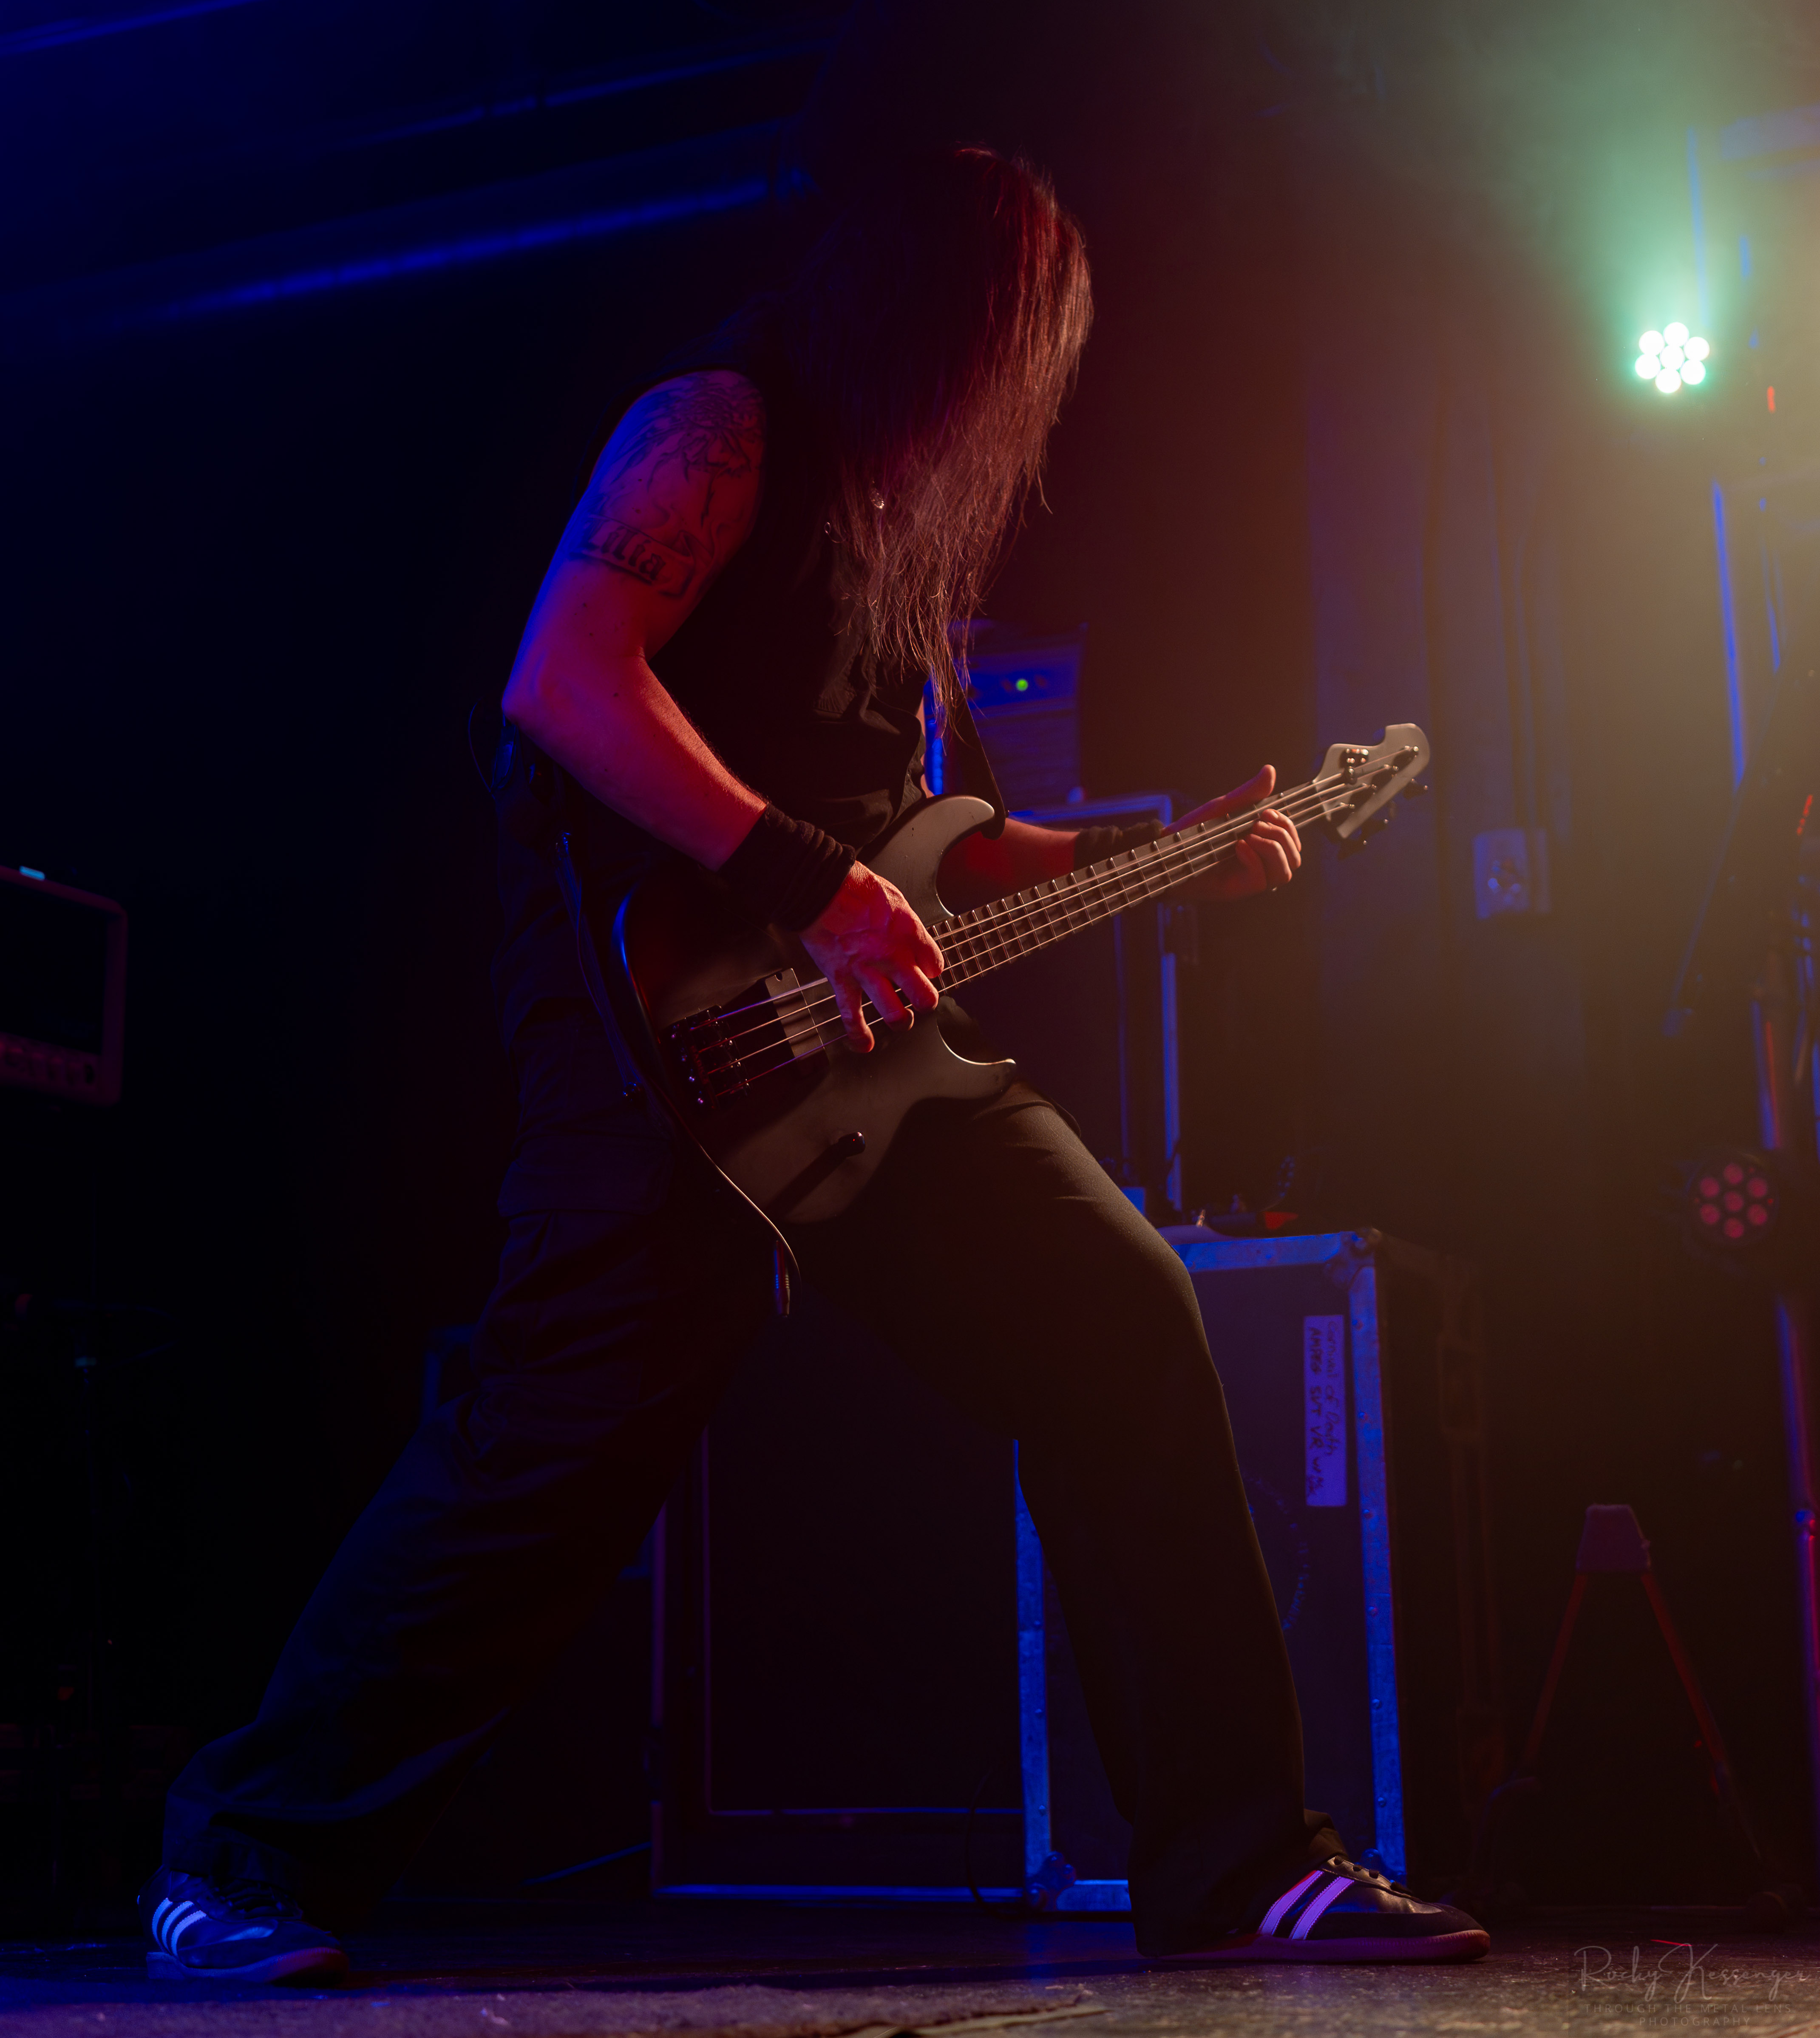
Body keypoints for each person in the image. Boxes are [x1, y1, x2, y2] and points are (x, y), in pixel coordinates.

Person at [139, 149, 1487, 1980]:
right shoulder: (718, 422)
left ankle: (1242, 1859)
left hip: (871, 1046)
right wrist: (811, 885)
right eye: (1012, 339)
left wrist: (1170, 855)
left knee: (1122, 1314)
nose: (1021, 390)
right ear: (933, 312)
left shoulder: (905, 535)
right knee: (553, 1442)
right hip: (652, 1017)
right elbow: (568, 678)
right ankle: (241, 1855)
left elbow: (947, 847)